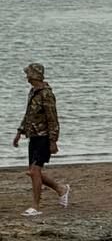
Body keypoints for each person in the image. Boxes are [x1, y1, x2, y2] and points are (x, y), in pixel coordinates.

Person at [12, 63, 69, 216]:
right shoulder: (32, 92)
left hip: (44, 137)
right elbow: (28, 115)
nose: (26, 76)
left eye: (28, 73)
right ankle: (61, 189)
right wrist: (19, 132)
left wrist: (53, 141)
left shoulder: (46, 94)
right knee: (33, 172)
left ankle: (35, 207)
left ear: (35, 75)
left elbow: (53, 118)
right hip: (33, 136)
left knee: (35, 171)